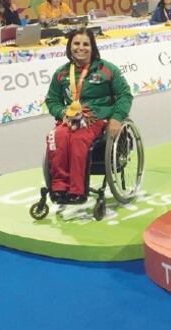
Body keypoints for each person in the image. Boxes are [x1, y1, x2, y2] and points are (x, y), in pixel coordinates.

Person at [44, 29, 132, 203]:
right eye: (76, 44)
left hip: (96, 118)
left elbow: (125, 95)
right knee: (56, 136)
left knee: (78, 138)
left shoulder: (107, 69)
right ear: (70, 47)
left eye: (86, 44)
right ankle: (59, 188)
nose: (81, 48)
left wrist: (117, 117)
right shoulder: (61, 73)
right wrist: (62, 113)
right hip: (70, 119)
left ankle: (77, 190)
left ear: (93, 47)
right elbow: (52, 100)